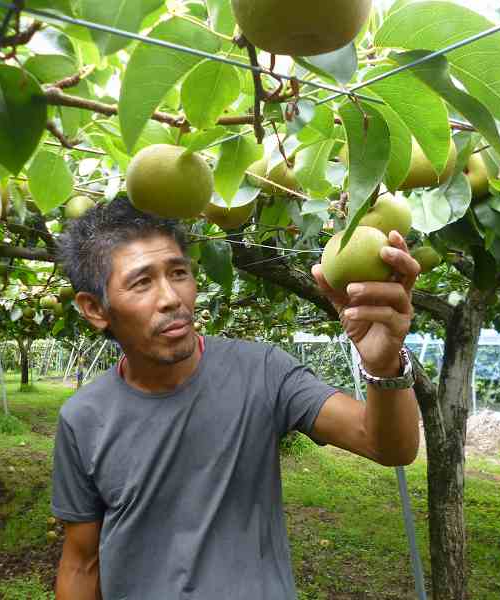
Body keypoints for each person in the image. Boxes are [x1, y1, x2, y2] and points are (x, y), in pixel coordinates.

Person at [52, 196, 421, 599]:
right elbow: (80, 563)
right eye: (142, 282)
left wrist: (384, 365)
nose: (171, 298)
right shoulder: (82, 418)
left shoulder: (262, 371)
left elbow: (389, 447)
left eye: (178, 273)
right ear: (94, 308)